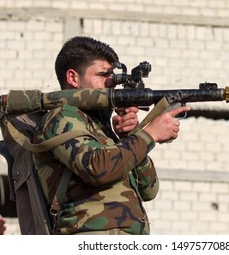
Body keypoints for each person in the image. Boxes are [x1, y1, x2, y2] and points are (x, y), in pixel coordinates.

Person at [33, 36, 190, 235]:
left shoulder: (100, 126)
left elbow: (148, 189)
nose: (110, 83)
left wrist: (130, 136)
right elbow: (97, 168)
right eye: (102, 75)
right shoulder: (61, 118)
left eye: (112, 77)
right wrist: (148, 134)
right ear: (73, 78)